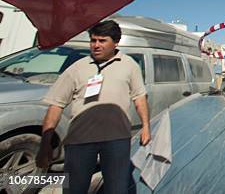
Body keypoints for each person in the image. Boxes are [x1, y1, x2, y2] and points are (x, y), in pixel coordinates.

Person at [36, 20, 150, 194]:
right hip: (79, 140)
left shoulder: (130, 65)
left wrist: (146, 127)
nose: (96, 45)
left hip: (116, 140)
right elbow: (56, 106)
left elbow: (139, 97)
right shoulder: (77, 68)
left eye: (102, 41)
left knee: (117, 189)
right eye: (93, 40)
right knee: (74, 189)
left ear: (116, 42)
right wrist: (45, 144)